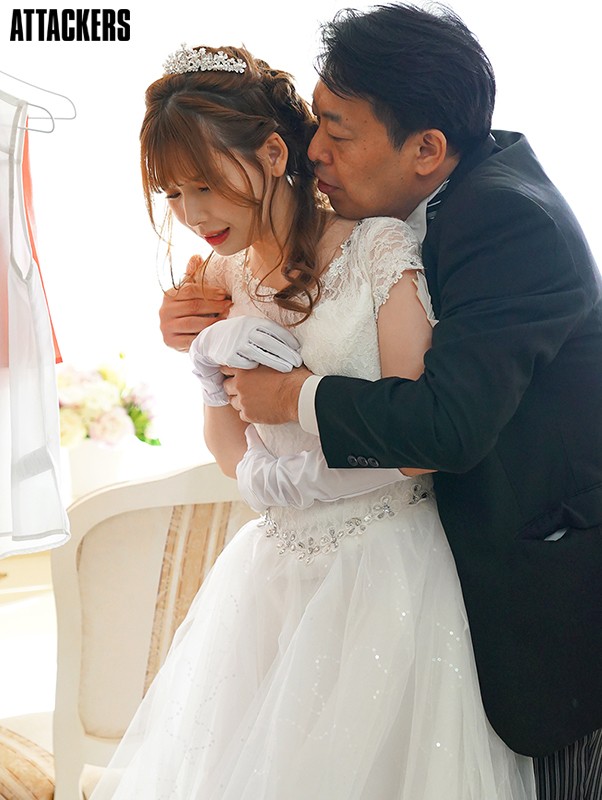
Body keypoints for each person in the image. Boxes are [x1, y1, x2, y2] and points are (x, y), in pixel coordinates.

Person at [91, 42, 536, 799]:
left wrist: (303, 478)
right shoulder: (220, 277)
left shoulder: (379, 246)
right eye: (173, 193)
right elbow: (228, 443)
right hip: (272, 575)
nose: (193, 214)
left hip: (386, 568)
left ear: (273, 153)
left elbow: (418, 432)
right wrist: (208, 375)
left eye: (205, 184)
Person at [196, 5, 601, 798]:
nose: (314, 150)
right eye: (316, 121)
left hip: (538, 601)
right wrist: (200, 319)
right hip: (385, 584)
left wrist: (293, 396)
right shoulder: (402, 209)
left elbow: (447, 425)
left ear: (427, 149)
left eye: (337, 132)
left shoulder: (508, 219)